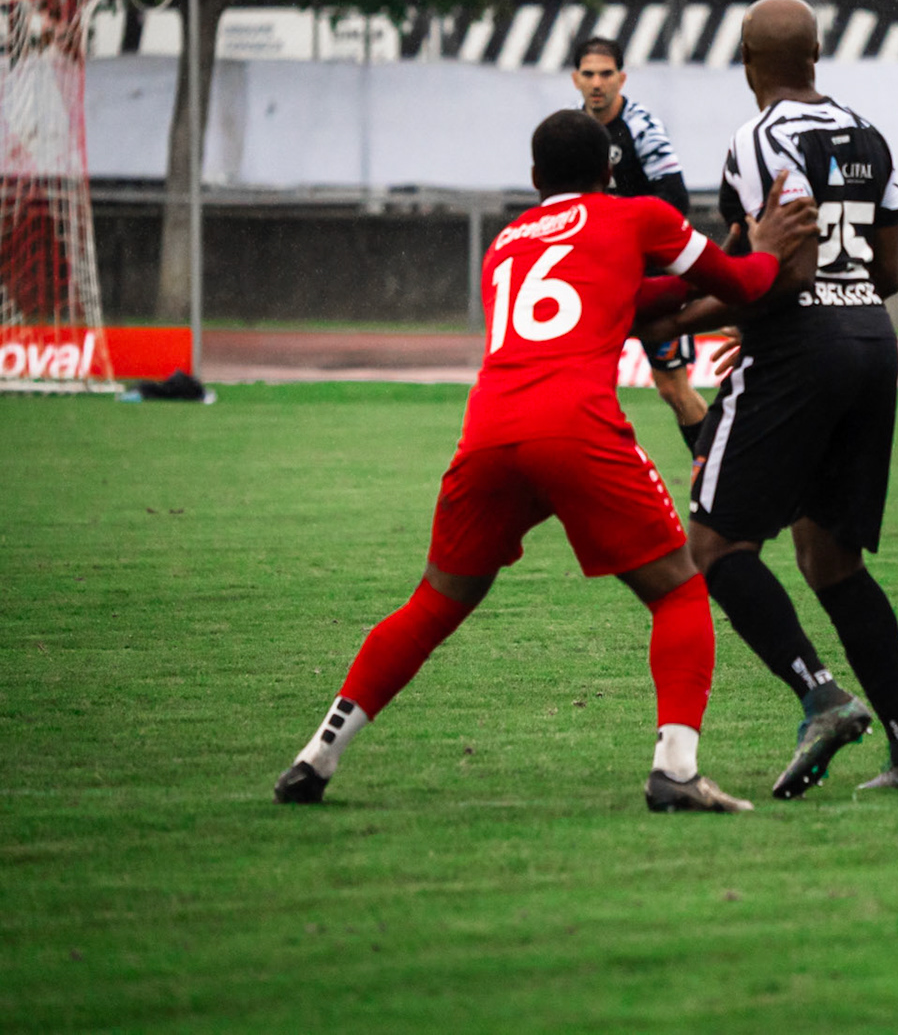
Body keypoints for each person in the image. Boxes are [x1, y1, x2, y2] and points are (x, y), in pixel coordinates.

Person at [273, 110, 817, 813]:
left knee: (433, 601)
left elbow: (614, 295)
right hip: (574, 425)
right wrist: (762, 246)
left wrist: (703, 274)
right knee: (679, 590)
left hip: (489, 429)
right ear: (610, 174)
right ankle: (676, 771)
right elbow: (743, 284)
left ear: (534, 180)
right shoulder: (636, 215)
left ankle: (316, 757)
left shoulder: (504, 244)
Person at [659, 0, 898, 795]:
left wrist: (680, 311)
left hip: (798, 348)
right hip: (870, 340)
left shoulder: (757, 142)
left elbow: (771, 270)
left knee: (715, 548)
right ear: (819, 54)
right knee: (831, 557)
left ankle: (820, 695)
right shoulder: (870, 135)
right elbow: (890, 273)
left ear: (747, 62)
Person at [572, 36, 709, 455]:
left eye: (606, 74)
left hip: (647, 280)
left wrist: (627, 239)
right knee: (580, 387)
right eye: (589, 74)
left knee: (673, 389)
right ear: (575, 78)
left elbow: (675, 201)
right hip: (594, 280)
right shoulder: (572, 131)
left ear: (622, 77)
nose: (598, 83)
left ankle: (714, 474)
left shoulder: (642, 128)